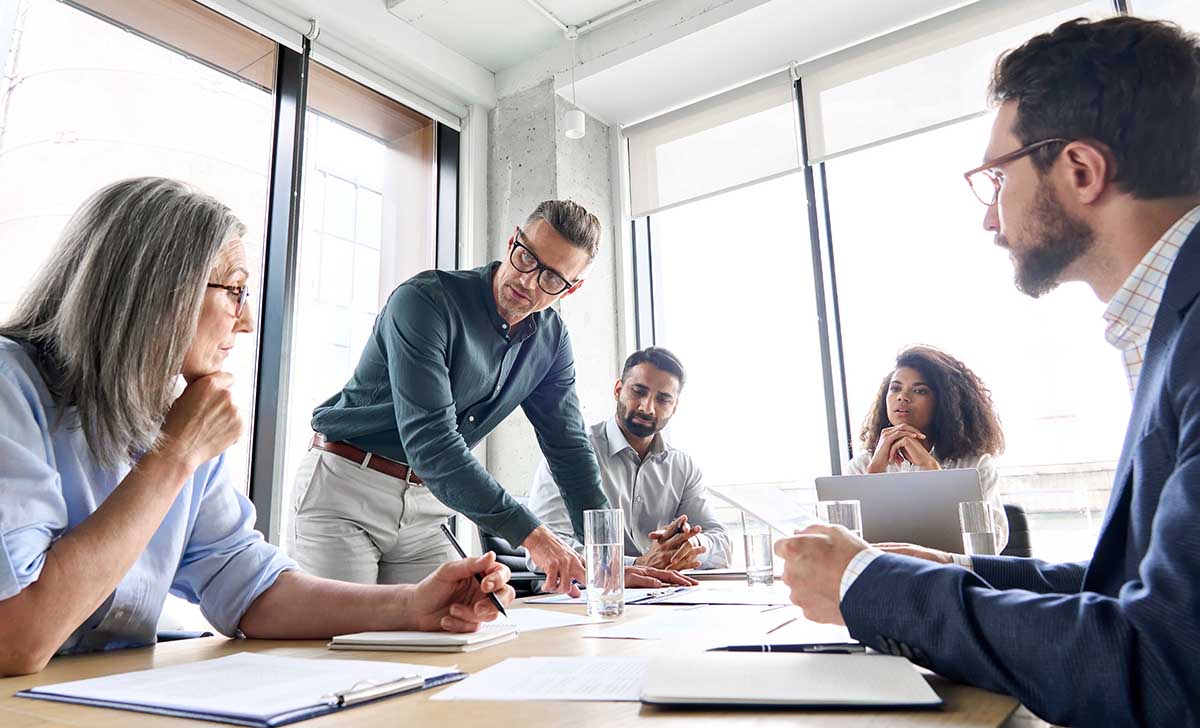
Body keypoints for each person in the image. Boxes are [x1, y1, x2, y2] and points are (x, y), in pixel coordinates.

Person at [775, 17, 1200, 726]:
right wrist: (957, 572)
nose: (989, 219)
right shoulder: (1167, 326)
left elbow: (1162, 667)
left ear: (1081, 171)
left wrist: (866, 582)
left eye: (997, 177)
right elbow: (1131, 590)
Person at [0, 178, 514, 677]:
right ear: (156, 290)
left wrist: (412, 604)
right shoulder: (12, 389)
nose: (246, 323)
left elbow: (247, 586)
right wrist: (175, 457)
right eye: (235, 291)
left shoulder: (178, 415)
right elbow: (16, 637)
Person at [292, 200, 689, 595]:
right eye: (526, 258)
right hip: (347, 489)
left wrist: (609, 561)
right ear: (513, 240)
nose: (529, 282)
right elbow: (433, 444)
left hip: (426, 508)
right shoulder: (425, 302)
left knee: (454, 635)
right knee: (341, 644)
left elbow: (569, 450)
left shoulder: (550, 340)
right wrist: (534, 536)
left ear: (573, 287)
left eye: (553, 279)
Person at [528, 347, 731, 573]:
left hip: (660, 595)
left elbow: (722, 545)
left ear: (674, 407)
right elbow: (545, 550)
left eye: (663, 399)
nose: (647, 407)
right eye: (638, 391)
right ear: (618, 389)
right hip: (587, 596)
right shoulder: (569, 453)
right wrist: (634, 566)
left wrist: (691, 546)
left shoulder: (683, 467)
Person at [847, 345, 1008, 551]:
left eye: (919, 390)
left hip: (949, 577)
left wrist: (932, 471)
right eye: (895, 388)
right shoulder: (862, 466)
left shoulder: (975, 465)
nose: (902, 397)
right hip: (887, 578)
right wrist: (874, 476)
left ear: (944, 402)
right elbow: (845, 549)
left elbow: (989, 545)